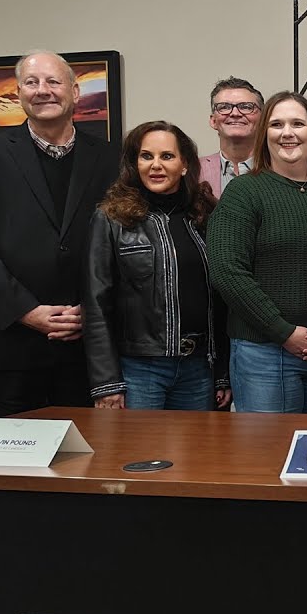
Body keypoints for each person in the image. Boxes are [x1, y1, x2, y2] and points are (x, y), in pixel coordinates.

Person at [0, 50, 118, 416]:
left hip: (88, 350)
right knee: (5, 468)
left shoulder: (110, 157)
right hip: (6, 349)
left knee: (87, 463)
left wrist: (95, 312)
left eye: (53, 82)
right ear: (19, 93)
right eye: (31, 82)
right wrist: (27, 311)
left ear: (74, 92)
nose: (43, 91)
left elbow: (123, 246)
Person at [206, 92, 307, 413]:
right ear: (264, 135)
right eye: (276, 124)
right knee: (266, 459)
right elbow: (227, 271)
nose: (288, 132)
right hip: (264, 354)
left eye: (298, 123)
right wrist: (283, 332)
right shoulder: (244, 192)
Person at [84, 121, 230, 411]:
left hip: (199, 367)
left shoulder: (204, 215)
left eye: (167, 156)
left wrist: (222, 374)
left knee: (199, 456)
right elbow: (96, 304)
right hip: (140, 371)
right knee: (140, 455)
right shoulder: (111, 218)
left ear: (185, 164)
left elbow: (222, 299)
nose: (156, 165)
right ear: (134, 163)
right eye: (146, 156)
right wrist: (107, 382)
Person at [199, 77, 264, 197]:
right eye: (224, 107)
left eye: (246, 107)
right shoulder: (195, 170)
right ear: (213, 121)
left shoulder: (279, 169)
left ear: (262, 120)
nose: (235, 113)